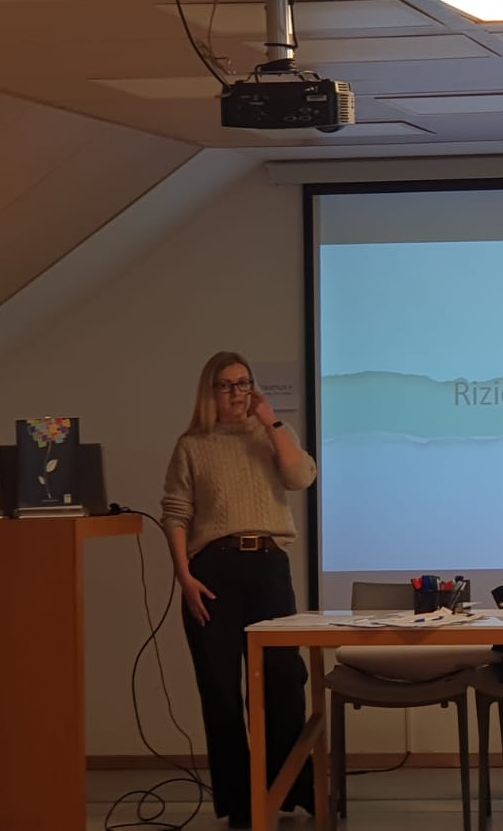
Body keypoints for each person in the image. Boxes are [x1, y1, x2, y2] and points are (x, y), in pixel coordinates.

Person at [162, 351, 318, 829]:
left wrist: (272, 423)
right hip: (211, 572)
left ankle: (291, 787)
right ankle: (241, 800)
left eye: (244, 383)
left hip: (268, 565)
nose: (237, 393)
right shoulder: (192, 444)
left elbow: (300, 477)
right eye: (227, 385)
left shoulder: (271, 435)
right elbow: (176, 512)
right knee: (220, 688)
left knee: (283, 680)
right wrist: (184, 577)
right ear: (210, 392)